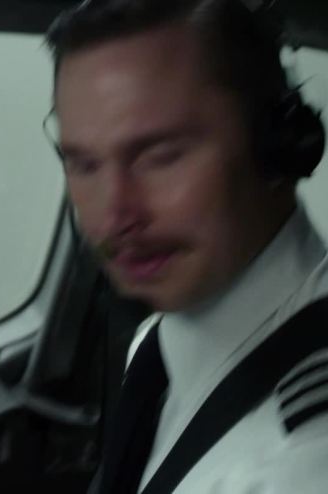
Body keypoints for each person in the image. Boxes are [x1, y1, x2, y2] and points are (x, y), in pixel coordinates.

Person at [44, 0, 328, 492]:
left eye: (161, 156)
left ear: (278, 146)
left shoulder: (298, 464)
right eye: (84, 164)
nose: (115, 216)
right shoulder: (161, 340)